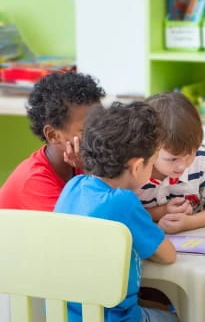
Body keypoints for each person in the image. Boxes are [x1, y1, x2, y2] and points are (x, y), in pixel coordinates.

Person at [54, 102, 178, 322]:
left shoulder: (74, 185)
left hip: (65, 315)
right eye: (152, 163)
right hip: (113, 318)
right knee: (176, 316)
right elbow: (167, 255)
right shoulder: (123, 202)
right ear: (137, 166)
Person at [0, 72, 105, 211]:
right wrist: (90, 170)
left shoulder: (81, 160)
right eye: (87, 129)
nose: (101, 134)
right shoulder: (34, 182)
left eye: (102, 123)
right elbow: (86, 227)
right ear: (53, 135)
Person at [138, 92, 205, 234]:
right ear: (148, 147)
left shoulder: (201, 159)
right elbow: (120, 214)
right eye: (172, 159)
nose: (183, 166)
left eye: (190, 153)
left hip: (196, 240)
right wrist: (161, 212)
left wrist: (191, 222)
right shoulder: (135, 169)